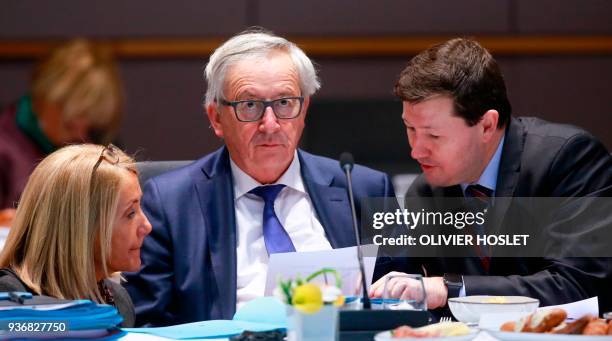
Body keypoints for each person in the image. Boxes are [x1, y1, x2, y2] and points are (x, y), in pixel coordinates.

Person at [123, 29, 396, 326]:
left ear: (304, 109)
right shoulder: (169, 204)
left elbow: (403, 301)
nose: (270, 124)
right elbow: (149, 325)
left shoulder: (364, 189)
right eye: (249, 105)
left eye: (284, 103)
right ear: (216, 118)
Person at [371, 38, 612, 313]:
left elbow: (582, 286)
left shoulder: (568, 159)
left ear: (487, 125)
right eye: (410, 129)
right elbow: (426, 301)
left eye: (433, 135)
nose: (416, 151)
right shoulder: (427, 192)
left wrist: (455, 289)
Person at [0, 144, 152, 327]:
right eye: (130, 213)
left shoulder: (118, 300)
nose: (147, 226)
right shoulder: (10, 299)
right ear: (82, 226)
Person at [0, 39, 123, 222]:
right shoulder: (6, 143)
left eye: (89, 123)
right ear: (44, 98)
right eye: (70, 123)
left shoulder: (100, 145)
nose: (80, 134)